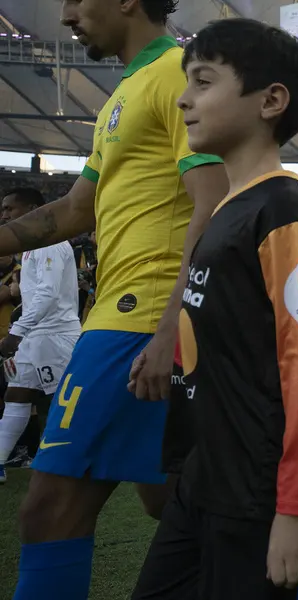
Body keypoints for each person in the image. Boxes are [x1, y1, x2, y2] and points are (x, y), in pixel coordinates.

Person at [0, 1, 229, 596]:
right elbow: (76, 210)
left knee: (49, 513)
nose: (69, 13)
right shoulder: (125, 94)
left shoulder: (179, 73)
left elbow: (213, 200)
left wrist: (170, 326)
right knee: (175, 508)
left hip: (138, 325)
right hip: (124, 321)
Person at [130, 18, 298, 599]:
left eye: (203, 80)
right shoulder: (226, 212)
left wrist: (296, 508)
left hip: (252, 491)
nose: (182, 97)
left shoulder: (283, 213)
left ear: (270, 100)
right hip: (203, 477)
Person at [0, 189, 81, 481]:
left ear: (34, 209)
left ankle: (70, 463)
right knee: (16, 396)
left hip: (56, 336)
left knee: (61, 402)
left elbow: (48, 294)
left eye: (11, 208)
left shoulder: (50, 242)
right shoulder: (33, 247)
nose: (5, 215)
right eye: (3, 209)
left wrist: (16, 332)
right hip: (37, 335)